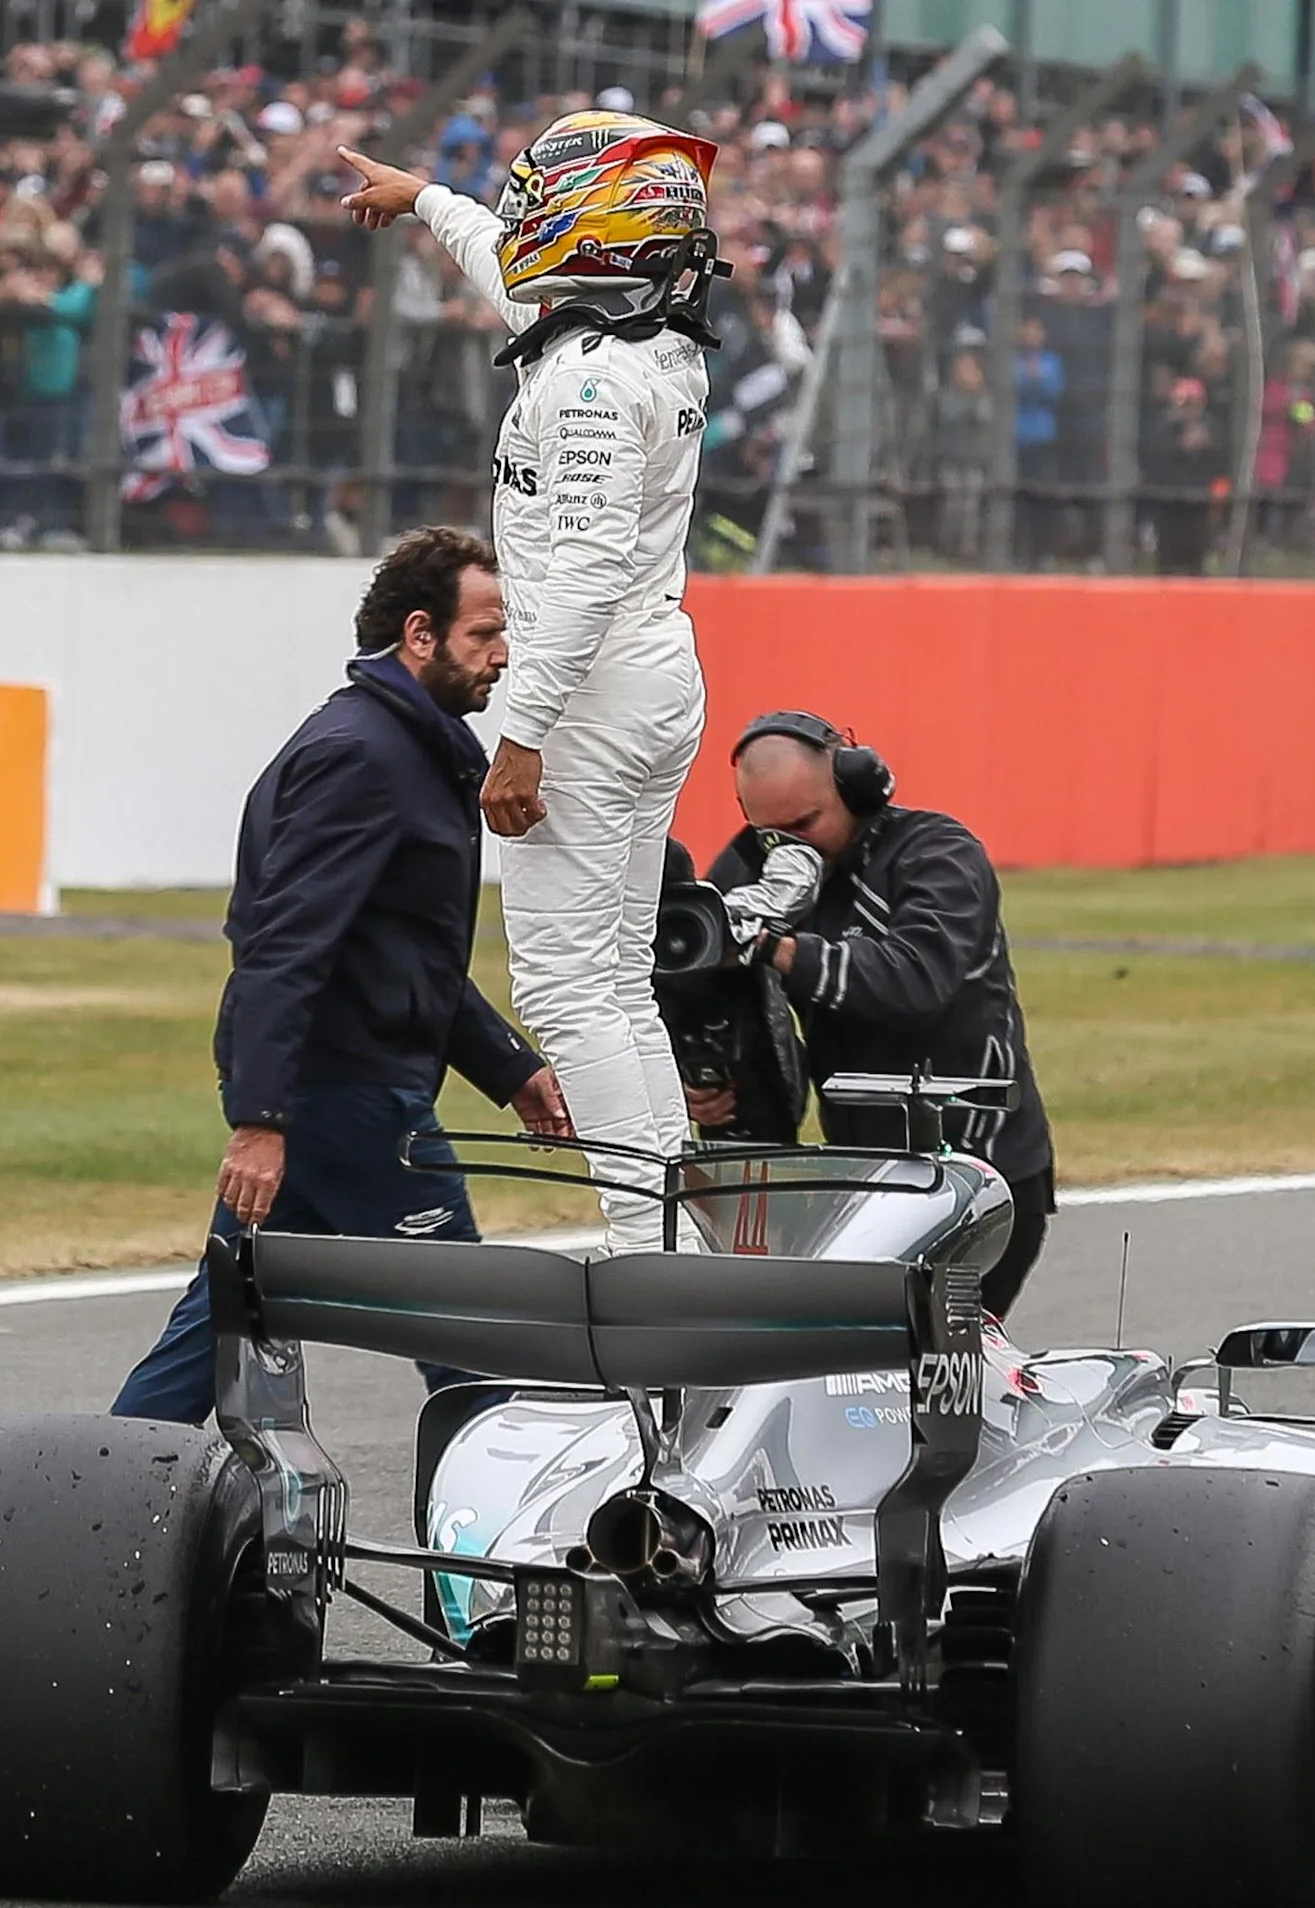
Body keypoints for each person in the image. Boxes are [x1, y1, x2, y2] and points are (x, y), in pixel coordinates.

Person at [335, 112, 725, 1255]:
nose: (517, 227)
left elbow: (591, 564)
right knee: (616, 977)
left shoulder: (589, 385)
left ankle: (644, 1243)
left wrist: (523, 736)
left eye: (534, 206)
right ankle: (673, 1224)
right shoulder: (650, 346)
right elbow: (512, 286)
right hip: (653, 673)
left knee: (565, 989)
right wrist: (423, 201)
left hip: (593, 687)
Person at [110, 528, 572, 1422]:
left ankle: (95, 1515)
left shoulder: (408, 748)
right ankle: (486, 1557)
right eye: (484, 634)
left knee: (221, 1327)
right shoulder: (362, 755)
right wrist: (262, 1120)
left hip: (331, 1091)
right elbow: (286, 945)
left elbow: (401, 954)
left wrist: (509, 1066)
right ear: (420, 635)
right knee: (470, 1339)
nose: (503, 655)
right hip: (349, 1100)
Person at [691, 714, 1058, 1320]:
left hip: (980, 1175)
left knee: (933, 1386)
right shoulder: (753, 865)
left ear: (856, 784)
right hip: (859, 1176)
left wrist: (778, 949)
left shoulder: (939, 852)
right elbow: (705, 984)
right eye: (771, 833)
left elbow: (915, 981)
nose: (792, 848)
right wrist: (702, 1075)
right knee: (855, 1381)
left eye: (806, 824)